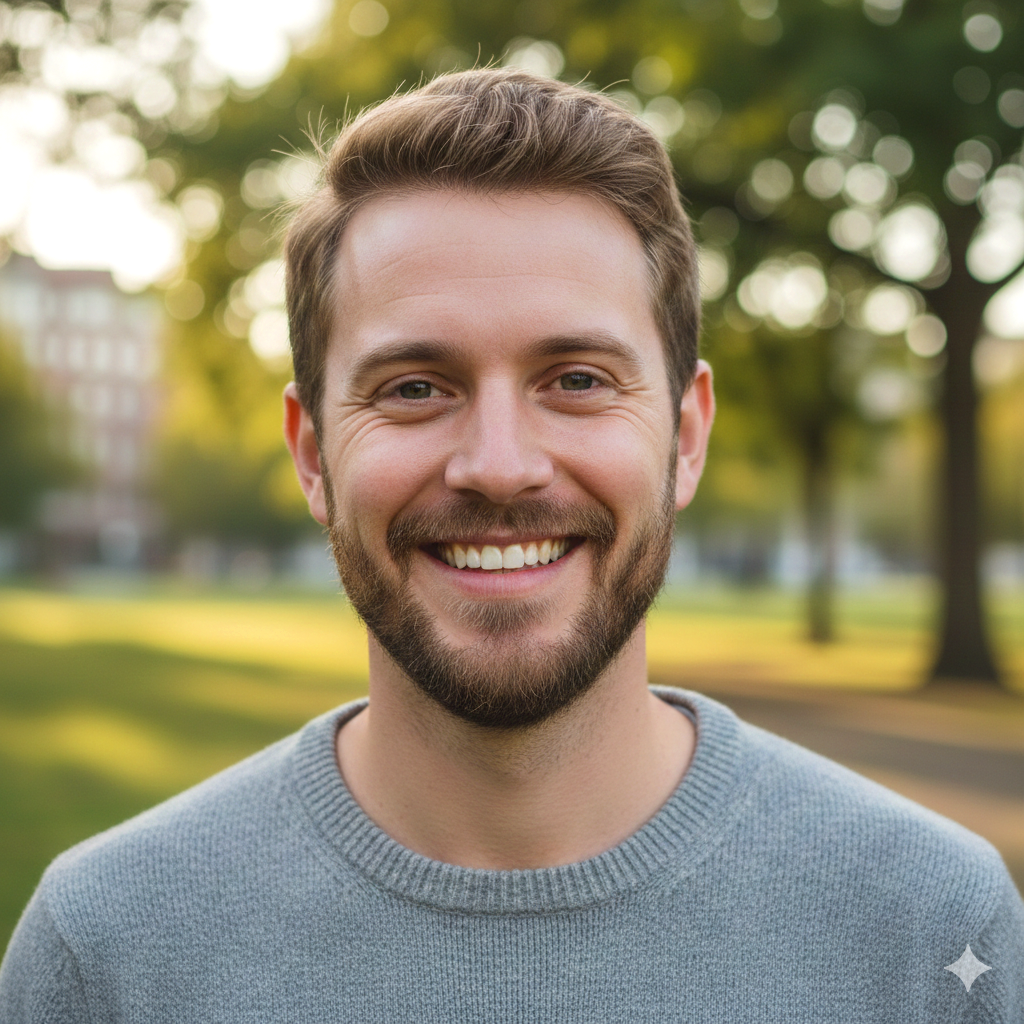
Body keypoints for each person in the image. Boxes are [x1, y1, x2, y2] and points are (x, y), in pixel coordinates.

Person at [1, 67, 1021, 1023]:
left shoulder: (932, 931)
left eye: (576, 379)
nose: (498, 465)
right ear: (312, 454)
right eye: (414, 388)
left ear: (686, 435)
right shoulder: (109, 951)